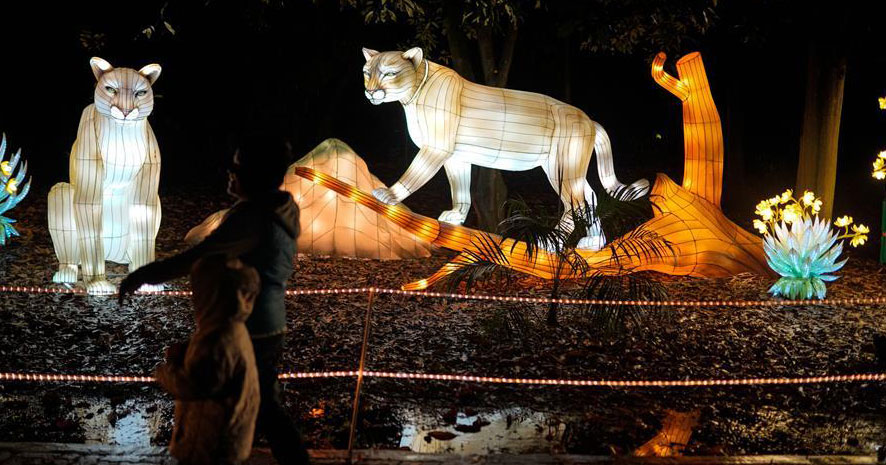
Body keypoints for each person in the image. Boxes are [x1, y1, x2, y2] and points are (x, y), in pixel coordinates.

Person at [119, 133, 310, 465]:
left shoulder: (251, 217)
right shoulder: (282, 208)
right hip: (270, 322)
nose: (229, 172)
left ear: (253, 174)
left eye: (236, 166)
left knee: (240, 405)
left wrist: (142, 275)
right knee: (262, 403)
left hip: (248, 325)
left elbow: (199, 255)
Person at [155, 255, 261, 465]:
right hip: (228, 437)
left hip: (208, 443)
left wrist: (167, 370)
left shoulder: (215, 340)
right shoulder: (230, 327)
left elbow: (193, 385)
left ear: (209, 296)